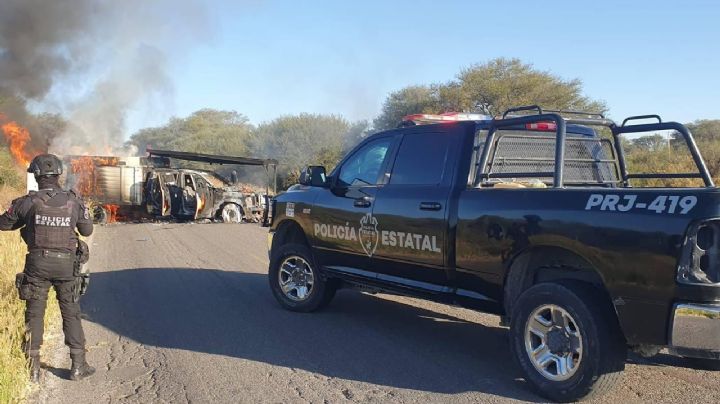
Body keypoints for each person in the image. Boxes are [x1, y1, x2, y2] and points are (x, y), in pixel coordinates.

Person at [0, 154, 95, 382]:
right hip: (66, 266)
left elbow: (4, 224)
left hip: (37, 266)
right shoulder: (74, 200)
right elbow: (87, 230)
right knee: (71, 313)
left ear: (36, 175)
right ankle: (78, 366)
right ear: (58, 174)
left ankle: (32, 369)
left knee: (34, 314)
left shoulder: (28, 202)